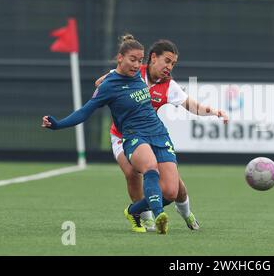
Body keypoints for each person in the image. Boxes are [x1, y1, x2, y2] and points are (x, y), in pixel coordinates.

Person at [42, 34, 178, 234]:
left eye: (140, 61)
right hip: (134, 135)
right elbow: (84, 111)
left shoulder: (140, 74)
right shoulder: (109, 86)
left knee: (171, 192)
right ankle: (159, 217)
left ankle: (133, 211)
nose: (136, 65)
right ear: (120, 57)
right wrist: (58, 125)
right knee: (149, 167)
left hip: (158, 133)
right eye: (132, 60)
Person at [95, 39, 229, 232]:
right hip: (122, 135)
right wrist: (107, 81)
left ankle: (186, 213)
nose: (169, 67)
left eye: (173, 63)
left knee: (174, 188)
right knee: (133, 173)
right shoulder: (133, 71)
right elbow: (100, 82)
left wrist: (215, 111)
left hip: (151, 135)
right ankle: (145, 217)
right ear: (153, 58)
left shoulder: (169, 86)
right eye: (167, 61)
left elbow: (193, 106)